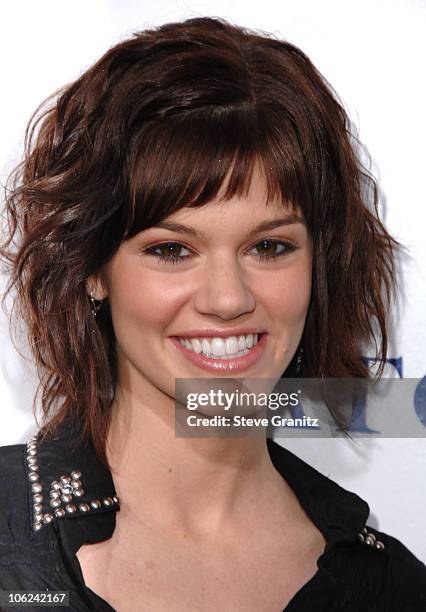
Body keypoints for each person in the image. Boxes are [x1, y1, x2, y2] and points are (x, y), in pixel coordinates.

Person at [0, 16, 425, 612]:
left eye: (269, 247)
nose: (228, 299)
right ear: (91, 268)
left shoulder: (392, 588)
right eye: (171, 250)